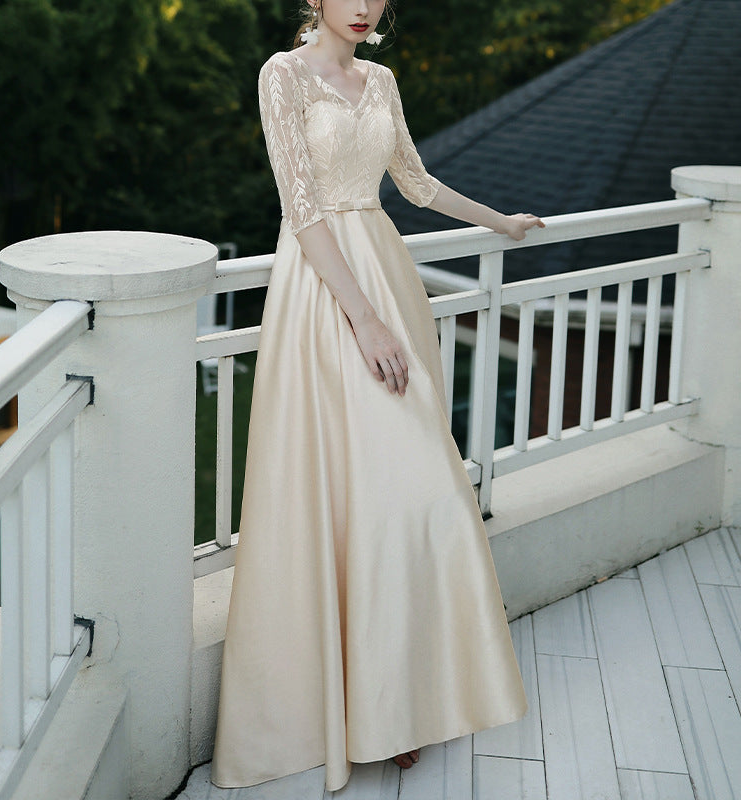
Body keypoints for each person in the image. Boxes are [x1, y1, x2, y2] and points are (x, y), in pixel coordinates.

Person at [210, 0, 545, 792]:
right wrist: (363, 321)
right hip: (328, 291)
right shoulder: (282, 75)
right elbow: (302, 210)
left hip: (389, 280)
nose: (363, 6)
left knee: (420, 490)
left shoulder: (382, 78)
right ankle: (349, 707)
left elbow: (417, 184)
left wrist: (501, 223)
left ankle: (400, 702)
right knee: (351, 494)